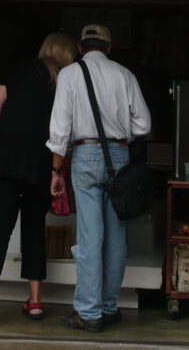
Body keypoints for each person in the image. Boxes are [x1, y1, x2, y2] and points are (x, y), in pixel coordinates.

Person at [47, 24, 151, 332]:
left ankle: (89, 313)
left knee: (90, 238)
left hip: (83, 156)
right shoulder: (124, 75)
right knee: (116, 237)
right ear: (109, 47)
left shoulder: (69, 74)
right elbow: (143, 125)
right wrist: (119, 135)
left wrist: (56, 171)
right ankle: (108, 307)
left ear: (80, 48)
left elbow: (59, 129)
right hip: (119, 158)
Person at [0, 32, 78, 324]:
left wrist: (13, 124)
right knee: (34, 228)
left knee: (0, 226)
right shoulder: (64, 82)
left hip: (7, 159)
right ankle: (35, 301)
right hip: (41, 162)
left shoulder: (19, 69)